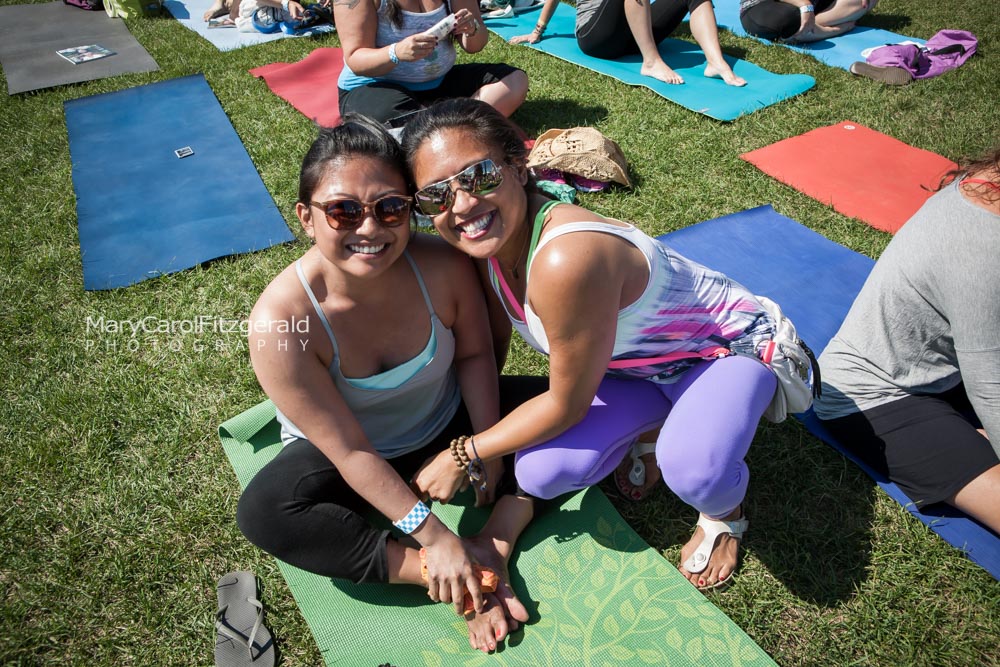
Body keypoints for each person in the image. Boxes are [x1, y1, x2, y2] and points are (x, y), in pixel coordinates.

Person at [402, 99, 788, 590]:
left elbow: (566, 404)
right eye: (436, 196)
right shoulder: (488, 245)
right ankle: (663, 421)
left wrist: (466, 452)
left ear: (519, 168)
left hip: (721, 351)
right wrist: (490, 442)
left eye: (478, 177)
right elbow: (498, 335)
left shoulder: (566, 257)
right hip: (636, 369)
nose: (460, 206)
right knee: (542, 473)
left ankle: (726, 511)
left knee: (693, 472)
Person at [235, 114, 547, 653]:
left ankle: (494, 538)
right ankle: (447, 571)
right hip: (348, 453)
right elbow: (352, 451)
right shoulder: (280, 320)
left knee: (568, 406)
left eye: (390, 208)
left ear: (410, 210)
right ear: (306, 218)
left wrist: (484, 452)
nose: (370, 229)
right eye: (343, 211)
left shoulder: (443, 265)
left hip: (444, 423)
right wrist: (434, 539)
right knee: (267, 511)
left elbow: (475, 357)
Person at [815, 146, 1000, 535]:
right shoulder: (982, 245)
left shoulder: (987, 185)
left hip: (945, 373)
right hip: (872, 396)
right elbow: (989, 389)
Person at [335, 0, 529, 126]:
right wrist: (396, 52)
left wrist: (471, 29)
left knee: (514, 81)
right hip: (375, 85)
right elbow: (355, 58)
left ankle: (443, 127)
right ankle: (456, 126)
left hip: (438, 82)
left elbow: (475, 45)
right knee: (401, 119)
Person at [510, 0, 746, 87]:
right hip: (598, 37)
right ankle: (651, 62)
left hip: (636, 33)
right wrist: (537, 30)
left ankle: (715, 63)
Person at [739, 0, 878, 42]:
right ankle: (819, 31)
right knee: (788, 18)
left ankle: (808, 28)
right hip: (765, 5)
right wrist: (804, 4)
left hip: (813, 6)